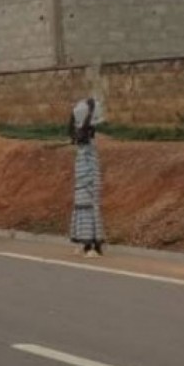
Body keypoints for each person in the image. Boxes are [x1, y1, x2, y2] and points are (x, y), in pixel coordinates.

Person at [69, 98, 106, 257]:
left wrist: (89, 111)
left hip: (89, 180)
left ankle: (94, 246)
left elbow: (83, 129)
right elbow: (74, 129)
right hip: (81, 181)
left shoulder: (89, 143)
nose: (77, 132)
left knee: (90, 208)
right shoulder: (80, 144)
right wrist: (73, 114)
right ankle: (85, 244)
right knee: (81, 208)